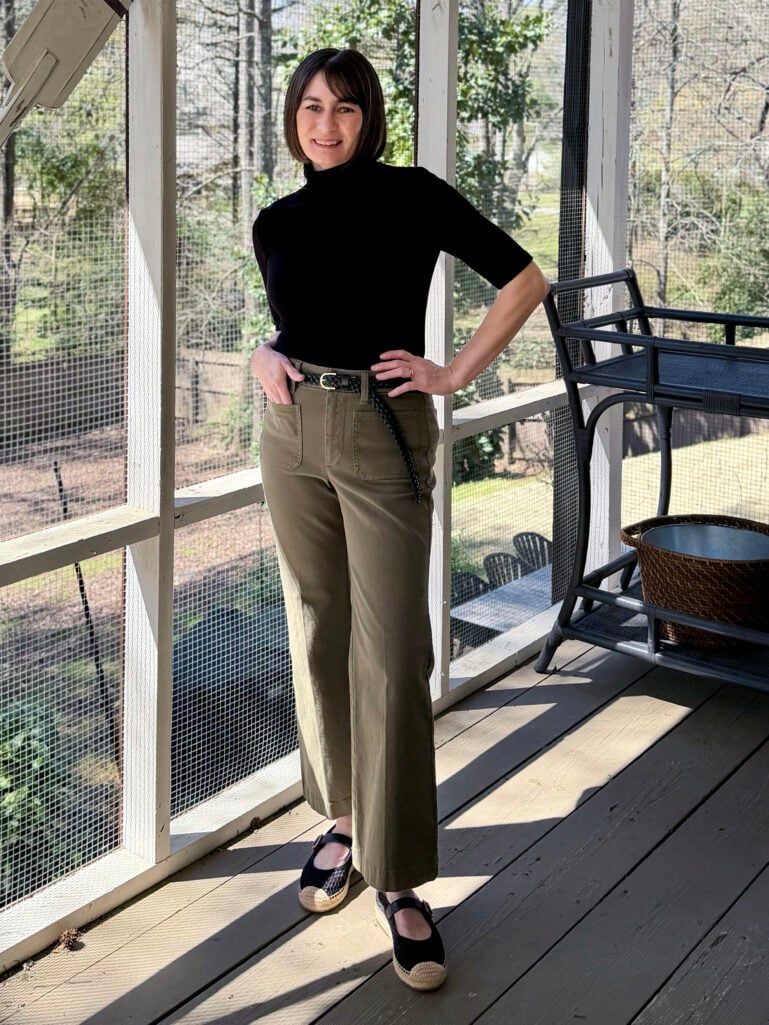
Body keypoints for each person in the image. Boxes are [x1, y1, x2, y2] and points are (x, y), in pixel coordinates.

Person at [250, 47, 548, 991]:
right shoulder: (273, 220)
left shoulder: (413, 193)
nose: (324, 122)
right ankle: (342, 818)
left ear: (368, 116)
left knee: (392, 649)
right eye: (308, 107)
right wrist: (262, 351)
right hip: (289, 427)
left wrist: (455, 372)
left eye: (342, 107)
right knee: (317, 627)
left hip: (382, 427)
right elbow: (303, 317)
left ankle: (401, 877)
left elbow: (524, 279)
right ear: (291, 118)